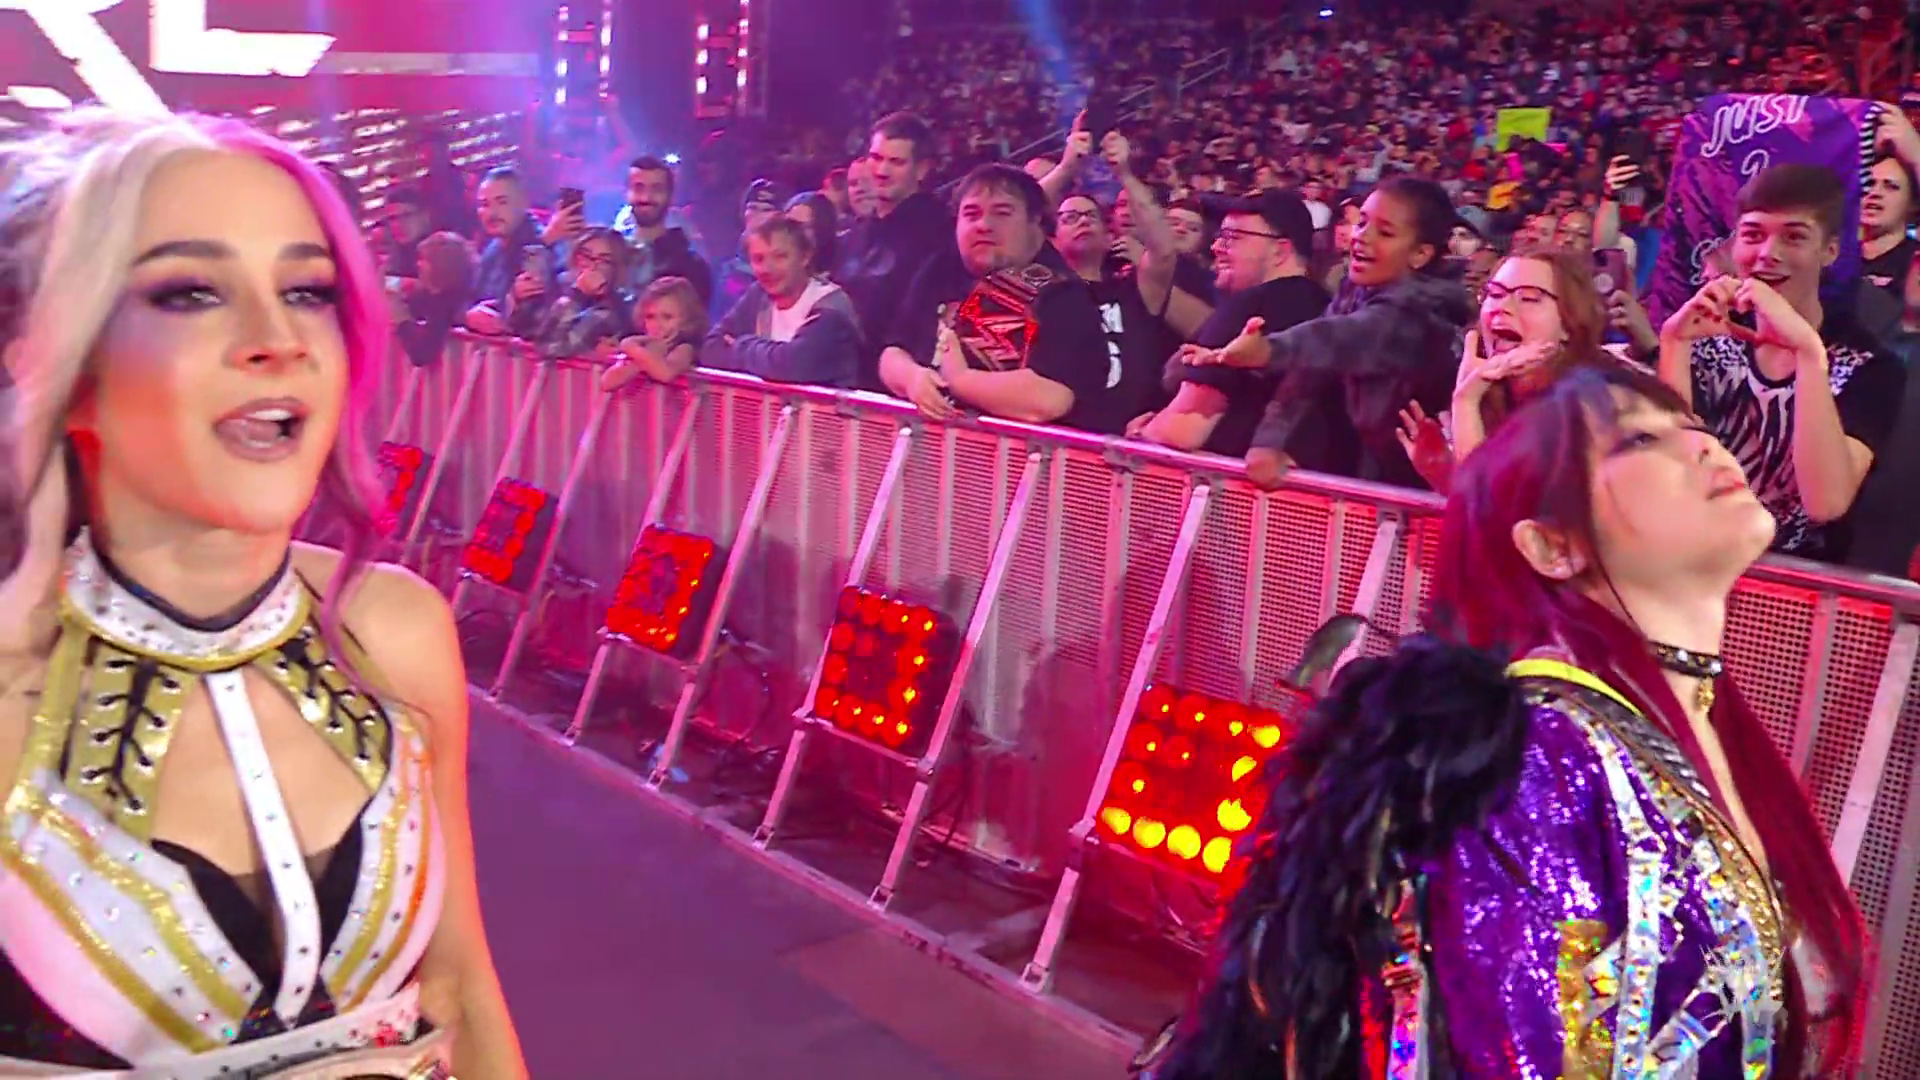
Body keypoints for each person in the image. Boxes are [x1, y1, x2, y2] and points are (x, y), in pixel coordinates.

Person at [1142, 367, 1869, 1080]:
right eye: (1641, 441)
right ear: (1553, 546)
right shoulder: (1533, 761)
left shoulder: (1684, 738)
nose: (1704, 444)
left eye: (1695, 425)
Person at [0, 109, 525, 1075]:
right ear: (57, 360)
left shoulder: (395, 632)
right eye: (190, 292)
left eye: (307, 290)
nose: (277, 339)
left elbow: (466, 990)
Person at [1656, 164, 1906, 564]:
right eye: (1753, 235)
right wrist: (1674, 343)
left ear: (1829, 251)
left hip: (1800, 578)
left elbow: (1825, 503)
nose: (1767, 254)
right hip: (1699, 561)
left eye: (1794, 237)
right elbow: (1669, 479)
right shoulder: (1709, 341)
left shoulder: (1870, 367)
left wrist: (1808, 353)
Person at [1185, 176, 1472, 490]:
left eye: (1385, 232)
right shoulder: (1355, 289)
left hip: (1426, 492)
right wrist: (1268, 442)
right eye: (1362, 223)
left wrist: (1267, 350)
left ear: (1420, 254)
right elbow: (1309, 372)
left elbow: (1337, 338)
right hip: (1377, 481)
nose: (1362, 237)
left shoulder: (1421, 314)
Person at [1396, 249, 1631, 493]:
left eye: (1528, 298)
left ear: (1569, 324)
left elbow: (1491, 504)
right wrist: (1444, 476)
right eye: (1495, 294)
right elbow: (1482, 509)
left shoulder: (1595, 400)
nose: (1502, 307)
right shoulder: (1490, 393)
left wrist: (1466, 401)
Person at [701, 217, 863, 386]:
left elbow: (794, 366)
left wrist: (740, 346)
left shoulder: (831, 306)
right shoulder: (758, 295)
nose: (767, 269)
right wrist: (767, 356)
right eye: (758, 259)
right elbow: (710, 349)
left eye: (780, 257)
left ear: (805, 257)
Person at [603, 277, 707, 391]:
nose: (657, 325)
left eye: (667, 317)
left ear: (686, 319)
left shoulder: (685, 348)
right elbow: (607, 383)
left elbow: (665, 374)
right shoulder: (643, 348)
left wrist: (632, 347)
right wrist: (638, 356)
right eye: (650, 317)